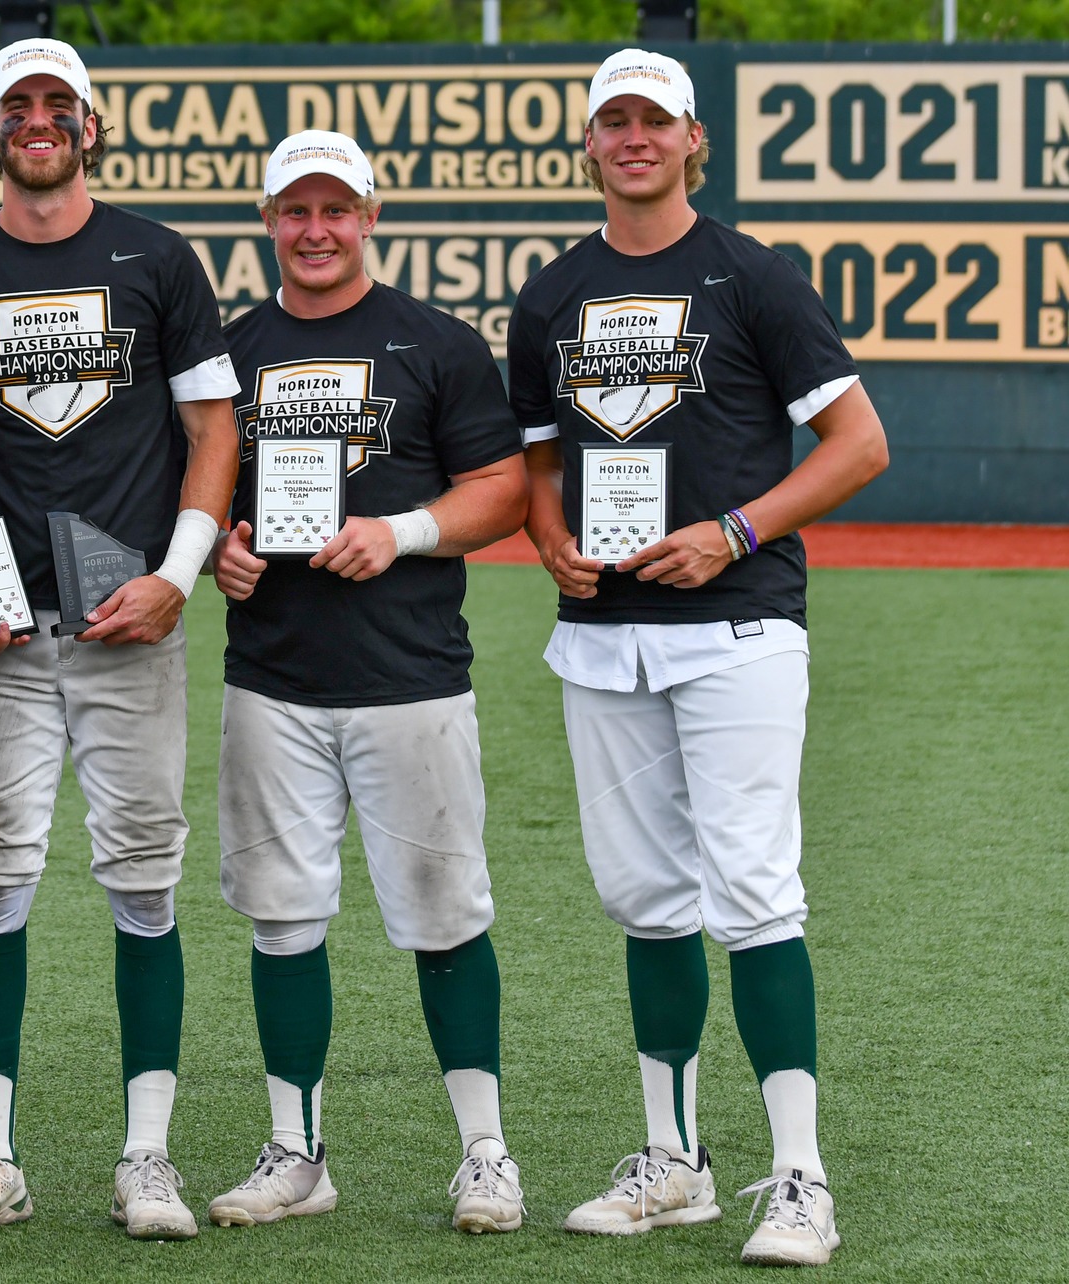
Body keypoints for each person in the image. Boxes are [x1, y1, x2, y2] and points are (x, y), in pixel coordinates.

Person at [508, 49, 888, 1267]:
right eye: (610, 120)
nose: (631, 138)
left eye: (651, 121)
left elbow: (858, 444)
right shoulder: (550, 293)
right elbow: (538, 463)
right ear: (588, 142)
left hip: (735, 628)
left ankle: (799, 1177)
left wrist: (732, 532)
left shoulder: (748, 274)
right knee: (645, 904)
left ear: (690, 139)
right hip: (604, 638)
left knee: (753, 894)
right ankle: (673, 1162)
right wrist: (552, 537)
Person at [0, 38, 240, 1242]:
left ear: (90, 126)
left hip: (127, 621)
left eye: (58, 106)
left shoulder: (156, 256)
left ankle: (144, 1156)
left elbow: (212, 429)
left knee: (142, 883)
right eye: (16, 108)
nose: (36, 123)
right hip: (2, 636)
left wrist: (177, 577)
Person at [206, 131, 530, 1234]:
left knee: (446, 916)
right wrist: (218, 552)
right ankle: (296, 1151)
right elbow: (195, 498)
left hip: (409, 678)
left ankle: (484, 1153)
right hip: (273, 679)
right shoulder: (228, 351)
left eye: (333, 209)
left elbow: (502, 492)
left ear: (370, 216)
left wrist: (397, 530)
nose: (313, 230)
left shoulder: (433, 342)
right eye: (293, 211)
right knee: (281, 919)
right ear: (266, 224)